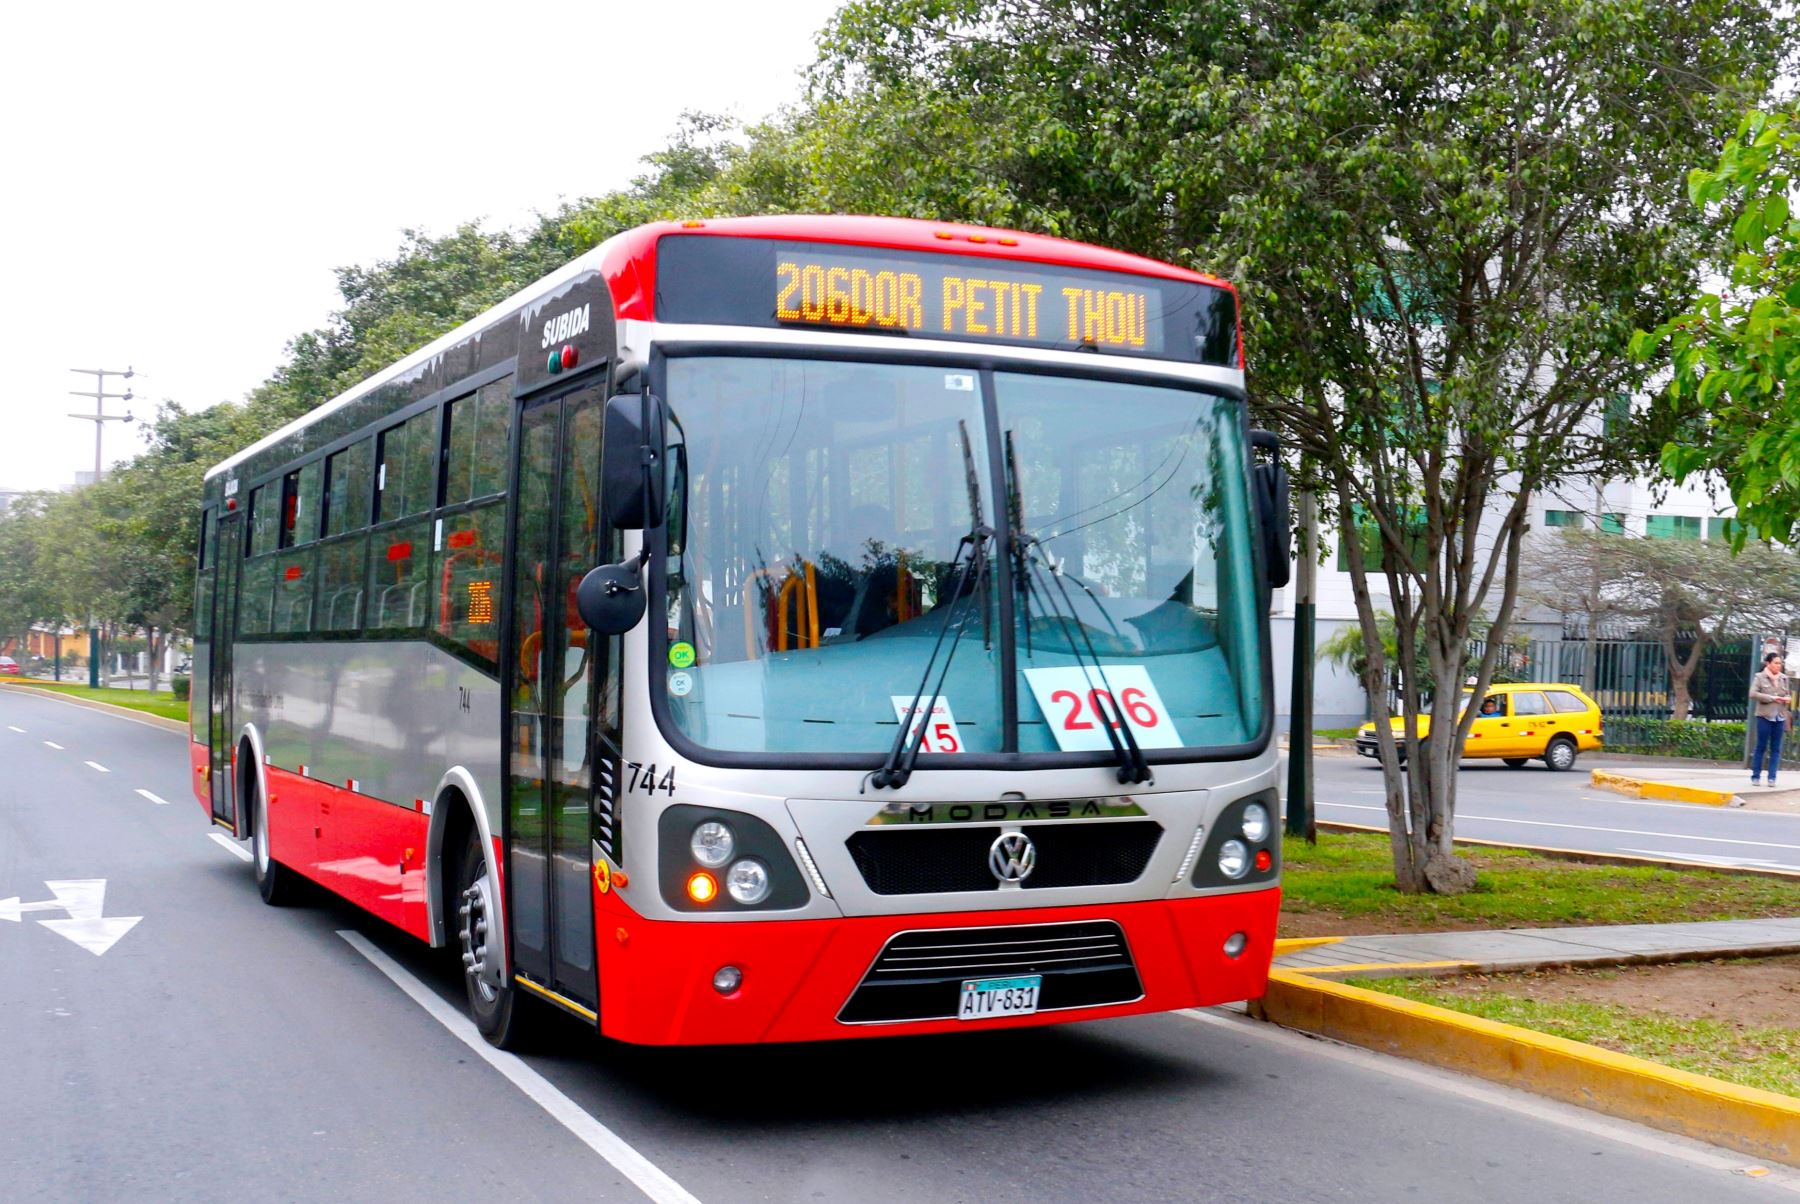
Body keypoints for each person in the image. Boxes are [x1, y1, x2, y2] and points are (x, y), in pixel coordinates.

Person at [1749, 651, 1792, 786]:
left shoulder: (1784, 678)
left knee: (1776, 748)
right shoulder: (1759, 677)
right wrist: (1772, 698)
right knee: (1761, 746)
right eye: (1776, 663)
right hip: (1764, 716)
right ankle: (1756, 776)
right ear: (1768, 663)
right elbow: (1752, 693)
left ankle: (1772, 777)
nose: (1778, 666)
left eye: (1780, 663)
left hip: (1779, 717)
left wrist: (1787, 699)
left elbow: (1788, 694)